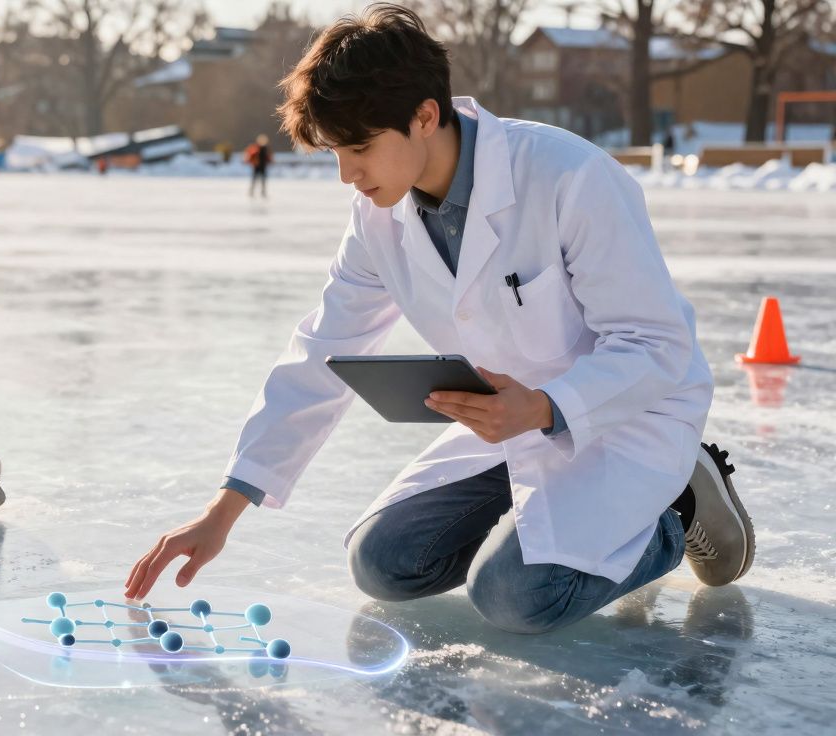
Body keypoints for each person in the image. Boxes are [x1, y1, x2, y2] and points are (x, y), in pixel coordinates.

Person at [124, 4, 753, 635]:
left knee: (513, 597)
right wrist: (225, 509)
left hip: (626, 414)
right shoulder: (377, 218)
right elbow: (322, 349)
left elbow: (657, 344)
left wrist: (544, 406)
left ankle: (680, 502)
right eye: (336, 152)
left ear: (425, 115)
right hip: (508, 426)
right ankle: (545, 517)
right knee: (383, 564)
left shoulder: (570, 177)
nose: (347, 175)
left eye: (360, 148)